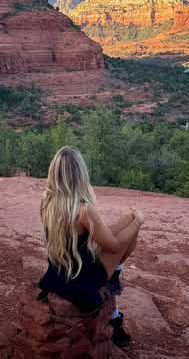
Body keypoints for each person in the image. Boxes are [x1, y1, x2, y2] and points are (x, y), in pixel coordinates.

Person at [38, 146, 144, 348]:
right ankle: (114, 278)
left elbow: (102, 236)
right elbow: (114, 246)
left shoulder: (47, 201)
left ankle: (115, 275)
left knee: (128, 219)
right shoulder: (84, 210)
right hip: (82, 281)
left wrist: (129, 219)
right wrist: (138, 222)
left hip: (60, 273)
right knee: (131, 228)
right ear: (80, 174)